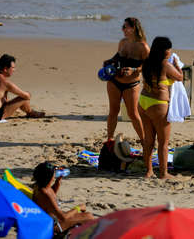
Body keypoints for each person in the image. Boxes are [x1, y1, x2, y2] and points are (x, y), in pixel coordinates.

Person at [139, 37, 183, 179]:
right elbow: (180, 77)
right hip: (158, 105)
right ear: (165, 51)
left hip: (144, 102)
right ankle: (164, 173)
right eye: (169, 50)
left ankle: (149, 171)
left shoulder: (146, 62)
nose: (170, 52)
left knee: (148, 141)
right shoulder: (165, 65)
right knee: (163, 143)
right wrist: (177, 64)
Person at [104, 17, 149, 145]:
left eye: (125, 27)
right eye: (122, 27)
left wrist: (134, 69)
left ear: (133, 28)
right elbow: (117, 58)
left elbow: (148, 66)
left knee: (133, 114)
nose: (122, 29)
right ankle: (110, 139)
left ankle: (144, 140)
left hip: (131, 84)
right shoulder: (122, 42)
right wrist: (108, 63)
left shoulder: (143, 47)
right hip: (114, 81)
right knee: (113, 111)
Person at [0, 54, 45, 120]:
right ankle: (30, 113)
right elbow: (27, 96)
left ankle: (30, 112)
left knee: (4, 94)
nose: (14, 70)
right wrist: (28, 94)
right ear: (5, 69)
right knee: (24, 98)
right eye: (13, 68)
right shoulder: (5, 82)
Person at [32, 162, 95, 233]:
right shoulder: (45, 193)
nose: (55, 175)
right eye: (54, 174)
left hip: (54, 218)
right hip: (53, 225)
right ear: (49, 177)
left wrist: (58, 181)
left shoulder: (40, 186)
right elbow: (63, 217)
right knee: (90, 218)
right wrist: (78, 208)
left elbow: (52, 195)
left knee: (88, 215)